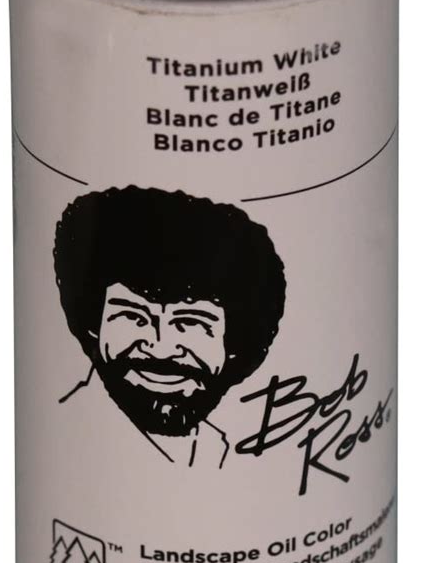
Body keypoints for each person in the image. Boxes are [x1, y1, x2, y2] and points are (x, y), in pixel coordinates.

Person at [54, 185, 286, 468]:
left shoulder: (214, 447)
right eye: (134, 317)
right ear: (94, 326)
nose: (160, 348)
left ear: (235, 344)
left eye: (189, 322)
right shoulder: (61, 434)